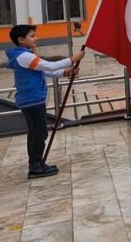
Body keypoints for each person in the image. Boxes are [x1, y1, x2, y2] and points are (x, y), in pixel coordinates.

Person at [6, 24, 86, 178]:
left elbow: (45, 71)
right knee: (39, 133)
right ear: (21, 40)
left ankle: (37, 162)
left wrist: (66, 72)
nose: (36, 38)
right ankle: (35, 166)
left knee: (36, 133)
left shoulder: (25, 55)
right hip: (32, 100)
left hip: (32, 99)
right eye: (32, 36)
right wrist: (73, 59)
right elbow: (49, 66)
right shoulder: (24, 56)